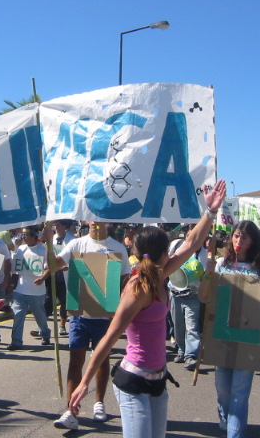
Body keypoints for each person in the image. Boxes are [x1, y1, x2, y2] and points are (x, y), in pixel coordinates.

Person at [67, 180, 226, 437]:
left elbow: (192, 243)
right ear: (164, 252)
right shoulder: (137, 289)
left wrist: (210, 212)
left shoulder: (160, 275)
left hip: (158, 380)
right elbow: (109, 337)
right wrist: (85, 382)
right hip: (133, 382)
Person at [51, 220, 131, 430]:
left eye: (100, 217)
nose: (96, 221)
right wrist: (46, 245)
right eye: (92, 217)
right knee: (75, 360)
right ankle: (71, 410)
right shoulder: (77, 244)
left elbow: (125, 280)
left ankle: (99, 403)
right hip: (79, 315)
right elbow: (55, 264)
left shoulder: (118, 247)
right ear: (87, 220)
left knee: (101, 360)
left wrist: (119, 310)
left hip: (104, 317)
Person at [199, 220, 260, 438]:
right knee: (223, 389)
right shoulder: (220, 263)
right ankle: (225, 417)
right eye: (237, 235)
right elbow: (204, 297)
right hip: (221, 333)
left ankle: (235, 432)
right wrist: (207, 274)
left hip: (248, 337)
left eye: (245, 237)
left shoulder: (259, 270)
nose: (239, 240)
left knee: (239, 392)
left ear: (253, 242)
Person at [9, 227, 52, 350]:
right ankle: (16, 341)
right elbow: (15, 270)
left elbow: (48, 267)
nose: (23, 237)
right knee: (18, 315)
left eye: (26, 234)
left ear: (34, 236)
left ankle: (45, 333)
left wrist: (42, 279)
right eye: (22, 235)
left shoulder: (42, 249)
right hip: (20, 290)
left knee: (40, 316)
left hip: (36, 292)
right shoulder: (21, 249)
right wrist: (12, 285)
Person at [167, 224, 204, 370]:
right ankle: (182, 350)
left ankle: (191, 355)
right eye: (191, 235)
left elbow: (205, 276)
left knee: (192, 326)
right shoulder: (176, 244)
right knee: (178, 325)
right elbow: (167, 261)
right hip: (175, 293)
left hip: (192, 294)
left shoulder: (204, 253)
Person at [40, 219, 74, 335]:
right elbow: (48, 255)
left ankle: (62, 325)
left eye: (59, 226)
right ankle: (42, 326)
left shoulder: (71, 241)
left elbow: (75, 258)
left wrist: (68, 267)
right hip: (53, 273)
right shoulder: (52, 239)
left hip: (65, 275)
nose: (57, 228)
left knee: (65, 301)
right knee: (48, 300)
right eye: (55, 226)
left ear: (64, 226)